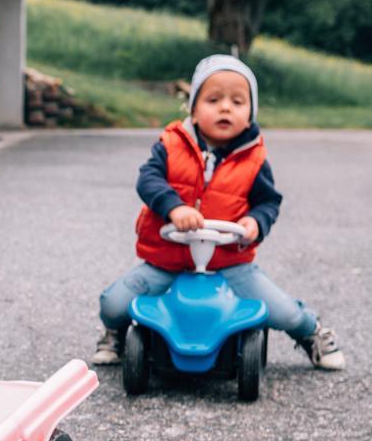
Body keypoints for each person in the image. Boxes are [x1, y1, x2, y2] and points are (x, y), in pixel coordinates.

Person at [92, 54, 344, 370]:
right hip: (167, 259)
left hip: (230, 261)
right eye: (213, 99)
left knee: (283, 311)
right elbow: (148, 178)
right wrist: (175, 207)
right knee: (113, 303)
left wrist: (255, 221)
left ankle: (312, 333)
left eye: (238, 102)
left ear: (250, 114)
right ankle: (115, 333)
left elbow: (268, 201)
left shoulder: (253, 160)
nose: (225, 107)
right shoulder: (171, 146)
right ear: (194, 111)